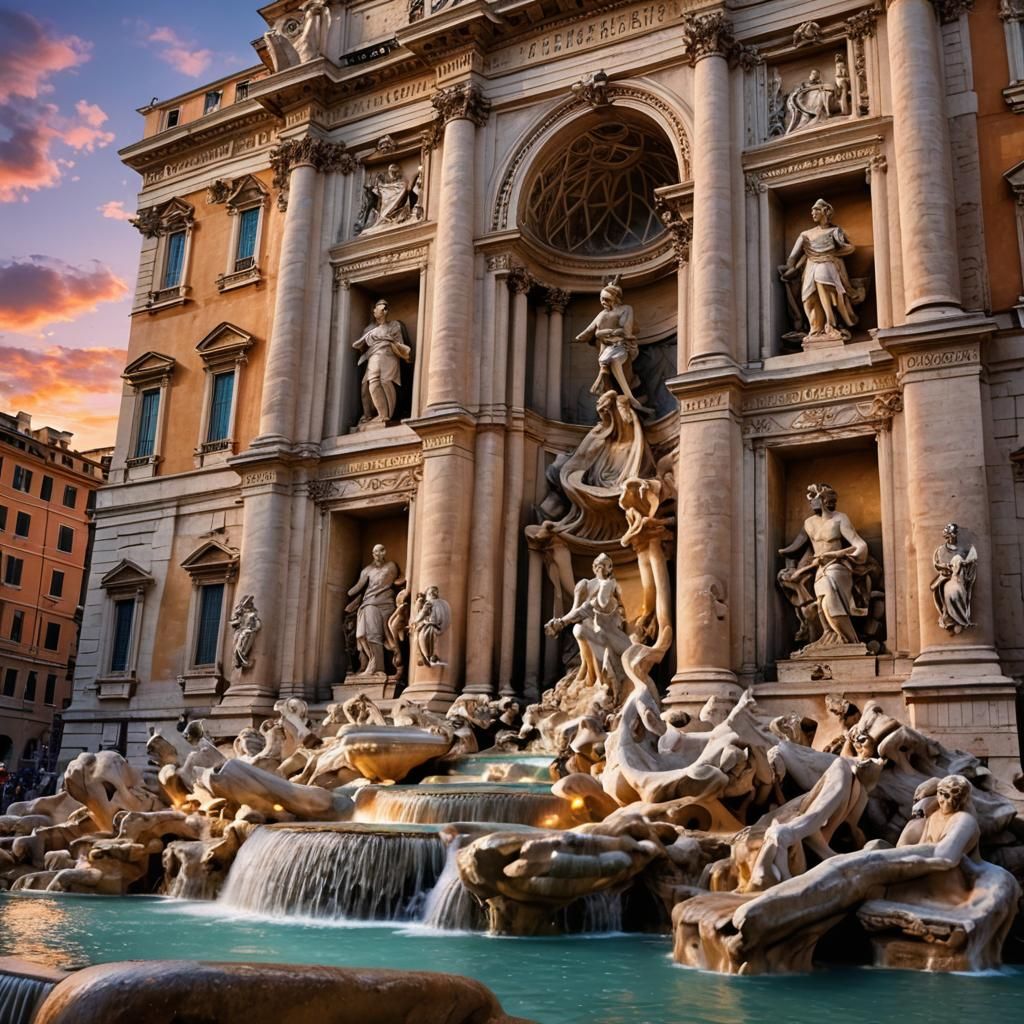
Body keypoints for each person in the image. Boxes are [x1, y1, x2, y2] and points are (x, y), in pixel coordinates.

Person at [778, 483, 870, 649]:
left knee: (829, 602)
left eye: (813, 497)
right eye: (809, 498)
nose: (810, 501)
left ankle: (850, 641)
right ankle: (830, 636)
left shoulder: (840, 518)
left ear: (823, 499)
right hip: (819, 568)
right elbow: (796, 547)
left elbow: (859, 545)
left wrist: (837, 554)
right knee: (821, 606)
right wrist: (790, 563)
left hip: (837, 567)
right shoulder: (809, 523)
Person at [545, 552, 631, 699]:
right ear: (593, 567)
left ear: (610, 568)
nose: (602, 569)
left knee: (585, 615)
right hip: (591, 625)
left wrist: (607, 588)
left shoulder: (612, 584)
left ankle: (604, 682)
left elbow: (606, 604)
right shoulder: (585, 584)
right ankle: (595, 679)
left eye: (606, 566)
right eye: (598, 566)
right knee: (579, 628)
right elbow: (575, 608)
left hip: (608, 626)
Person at [780, 199, 861, 342]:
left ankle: (831, 324)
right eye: (812, 210)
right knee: (808, 298)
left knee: (823, 283)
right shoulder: (806, 234)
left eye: (816, 209)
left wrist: (832, 254)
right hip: (810, 265)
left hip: (828, 264)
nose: (813, 213)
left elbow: (850, 247)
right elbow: (792, 257)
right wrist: (788, 270)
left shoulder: (835, 231)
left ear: (825, 211)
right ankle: (816, 329)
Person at [573, 281, 649, 412]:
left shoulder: (626, 309)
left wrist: (604, 333)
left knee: (614, 361)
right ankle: (618, 397)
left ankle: (630, 398)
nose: (602, 301)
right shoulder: (601, 314)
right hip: (607, 349)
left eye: (605, 298)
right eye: (601, 299)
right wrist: (587, 336)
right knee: (607, 362)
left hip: (622, 346)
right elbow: (588, 331)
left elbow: (626, 330)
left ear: (614, 297)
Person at [352, 299, 412, 424]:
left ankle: (385, 415)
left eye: (385, 308)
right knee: (371, 383)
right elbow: (361, 346)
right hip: (374, 356)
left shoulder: (394, 325)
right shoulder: (369, 329)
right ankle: (378, 414)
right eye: (380, 308)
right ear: (374, 311)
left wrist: (388, 340)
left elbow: (399, 342)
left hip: (388, 356)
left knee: (386, 382)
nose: (383, 310)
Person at [345, 545, 401, 675]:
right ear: (372, 553)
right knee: (361, 635)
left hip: (383, 603)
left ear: (384, 552)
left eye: (380, 550)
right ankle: (369, 661)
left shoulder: (390, 566)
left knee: (373, 634)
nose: (377, 553)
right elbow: (358, 587)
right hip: (368, 602)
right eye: (375, 551)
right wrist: (348, 592)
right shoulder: (367, 570)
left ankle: (377, 667)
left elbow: (397, 579)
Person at [931, 522, 978, 634]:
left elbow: (969, 565)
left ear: (955, 535)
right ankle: (950, 617)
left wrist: (967, 564)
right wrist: (946, 567)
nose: (950, 537)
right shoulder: (941, 550)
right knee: (949, 591)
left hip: (960, 578)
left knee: (959, 591)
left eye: (952, 535)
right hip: (945, 578)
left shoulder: (962, 551)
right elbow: (937, 564)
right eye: (948, 535)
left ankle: (960, 618)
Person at [412, 586, 451, 666]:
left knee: (422, 636)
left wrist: (415, 621)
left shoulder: (429, 603)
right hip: (442, 626)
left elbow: (421, 615)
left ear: (429, 594)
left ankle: (427, 657)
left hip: (432, 626)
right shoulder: (444, 603)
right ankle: (430, 657)